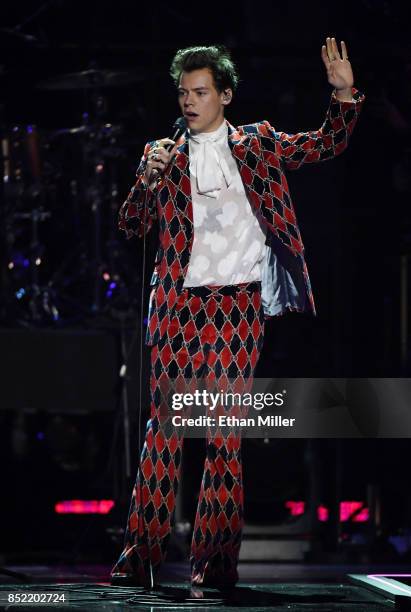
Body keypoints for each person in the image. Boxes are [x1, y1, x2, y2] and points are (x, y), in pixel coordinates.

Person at [111, 39, 365, 589]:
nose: (189, 102)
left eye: (201, 92)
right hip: (179, 303)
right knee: (166, 431)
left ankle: (216, 564)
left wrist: (343, 94)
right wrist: (145, 180)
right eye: (183, 93)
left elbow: (325, 144)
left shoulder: (258, 144)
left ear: (224, 95)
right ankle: (140, 558)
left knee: (224, 434)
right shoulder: (164, 153)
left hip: (237, 304)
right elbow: (132, 226)